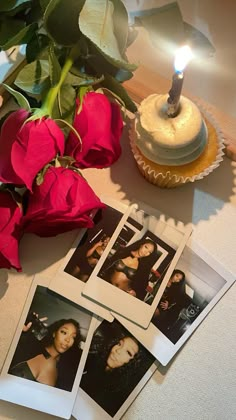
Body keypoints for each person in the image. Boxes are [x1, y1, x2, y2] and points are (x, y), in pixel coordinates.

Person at [80, 320, 154, 416]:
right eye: (119, 344)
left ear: (132, 364)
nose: (117, 350)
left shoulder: (114, 398)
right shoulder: (92, 361)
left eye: (128, 352)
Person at [9, 315, 81, 391]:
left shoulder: (65, 373)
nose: (68, 339)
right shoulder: (29, 345)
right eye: (64, 332)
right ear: (54, 333)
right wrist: (18, 330)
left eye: (73, 337)